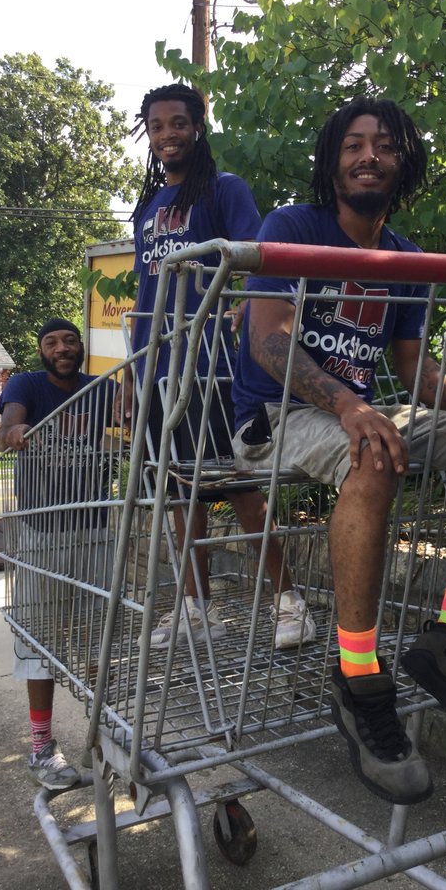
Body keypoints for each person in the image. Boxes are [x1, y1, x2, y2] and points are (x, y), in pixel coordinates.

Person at [231, 96, 446, 804]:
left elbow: (414, 366)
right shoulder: (292, 228)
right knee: (373, 451)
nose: (370, 155)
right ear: (332, 161)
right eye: (354, 144)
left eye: (386, 145)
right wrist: (347, 404)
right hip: (277, 415)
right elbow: (268, 338)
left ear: (405, 161)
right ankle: (359, 677)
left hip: (362, 411)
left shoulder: (404, 257)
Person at [122, 82, 315, 651]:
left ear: (197, 128)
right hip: (156, 367)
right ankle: (195, 607)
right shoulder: (148, 208)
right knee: (180, 491)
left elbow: (257, 258)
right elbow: (146, 290)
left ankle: (290, 602)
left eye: (178, 123)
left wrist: (242, 306)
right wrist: (133, 374)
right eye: (157, 126)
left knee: (238, 484)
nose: (167, 135)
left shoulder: (224, 189)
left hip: (209, 363)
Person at [0, 318, 114, 790]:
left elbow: (138, 412)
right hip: (43, 531)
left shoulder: (101, 387)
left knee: (100, 636)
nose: (62, 348)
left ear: (80, 346)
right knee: (39, 641)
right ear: (41, 351)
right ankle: (41, 747)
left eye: (69, 340)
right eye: (51, 342)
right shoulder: (26, 384)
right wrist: (16, 431)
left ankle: (104, 731)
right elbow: (7, 428)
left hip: (95, 527)